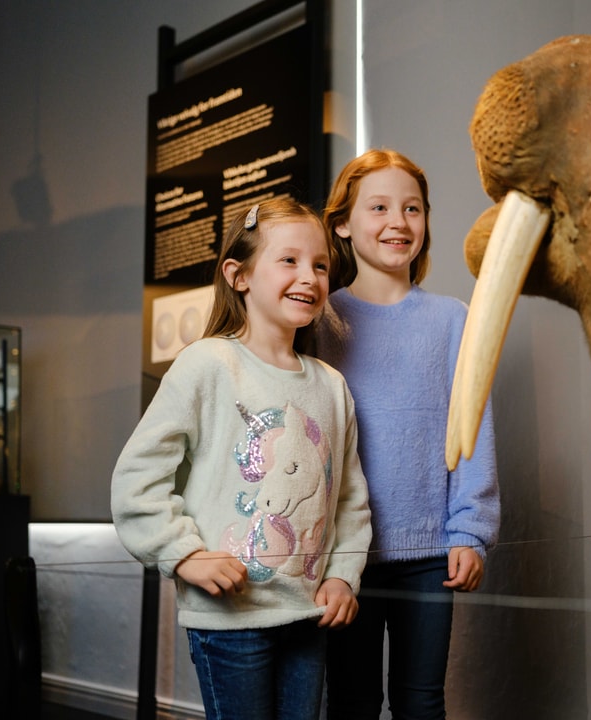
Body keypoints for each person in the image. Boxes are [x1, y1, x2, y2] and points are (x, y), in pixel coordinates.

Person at [111, 197, 372, 720]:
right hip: (228, 622)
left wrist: (343, 575)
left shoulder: (332, 386)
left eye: (320, 265)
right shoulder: (207, 364)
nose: (310, 276)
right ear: (239, 275)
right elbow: (138, 479)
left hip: (308, 615)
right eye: (290, 260)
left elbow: (349, 498)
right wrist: (183, 554)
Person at [315, 149, 500, 719]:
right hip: (345, 556)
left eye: (412, 208)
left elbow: (473, 427)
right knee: (352, 702)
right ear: (343, 223)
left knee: (422, 702)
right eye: (379, 207)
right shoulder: (318, 321)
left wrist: (470, 529)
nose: (399, 222)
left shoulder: (452, 319)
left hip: (430, 553)